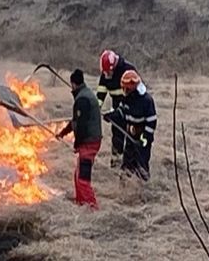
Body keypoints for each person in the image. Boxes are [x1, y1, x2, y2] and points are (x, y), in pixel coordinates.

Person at [56, 69, 103, 208]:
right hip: (90, 140)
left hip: (89, 142)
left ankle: (92, 208)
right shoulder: (84, 95)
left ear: (73, 84)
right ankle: (81, 202)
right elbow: (75, 121)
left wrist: (77, 144)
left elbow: (81, 126)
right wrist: (62, 133)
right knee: (78, 175)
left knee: (83, 179)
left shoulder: (82, 99)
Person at [110, 69, 157, 181]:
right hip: (130, 138)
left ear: (132, 88)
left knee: (141, 168)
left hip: (142, 140)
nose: (124, 91)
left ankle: (143, 190)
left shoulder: (146, 101)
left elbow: (151, 122)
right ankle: (124, 189)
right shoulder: (126, 98)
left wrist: (144, 139)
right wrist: (112, 116)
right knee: (126, 167)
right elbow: (122, 112)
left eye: (126, 88)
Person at [97, 49, 139, 167]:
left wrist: (117, 112)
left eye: (108, 72)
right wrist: (95, 109)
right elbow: (100, 94)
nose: (106, 76)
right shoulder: (106, 74)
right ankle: (116, 164)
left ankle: (132, 168)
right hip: (117, 111)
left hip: (133, 112)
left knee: (132, 140)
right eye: (104, 73)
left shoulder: (128, 70)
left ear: (114, 66)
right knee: (117, 139)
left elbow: (135, 97)